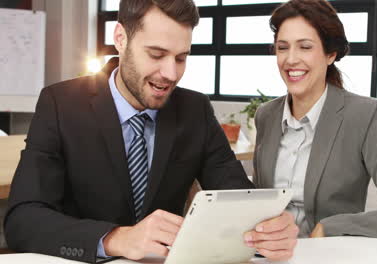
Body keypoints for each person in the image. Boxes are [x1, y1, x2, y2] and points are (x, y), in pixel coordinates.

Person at [4, 0, 298, 263]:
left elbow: (236, 193)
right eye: (156, 54)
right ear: (121, 39)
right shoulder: (61, 104)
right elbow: (23, 219)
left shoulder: (194, 109)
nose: (171, 74)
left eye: (181, 58)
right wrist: (115, 238)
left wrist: (267, 227)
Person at [253, 0, 377, 238]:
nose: (290, 59)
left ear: (330, 54)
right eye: (283, 47)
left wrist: (331, 227)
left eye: (305, 47)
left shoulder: (362, 115)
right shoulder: (266, 116)